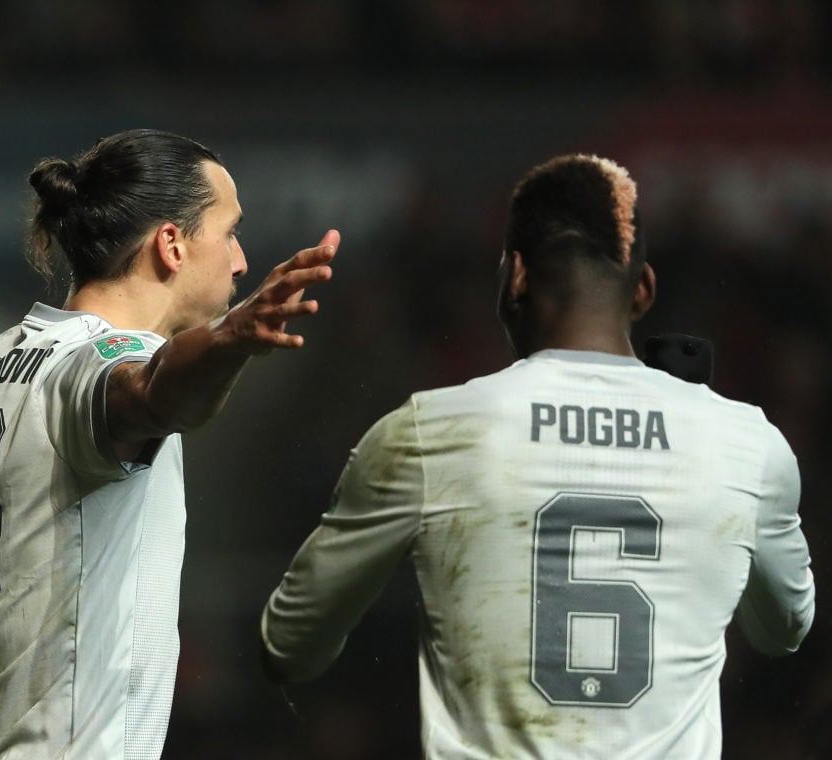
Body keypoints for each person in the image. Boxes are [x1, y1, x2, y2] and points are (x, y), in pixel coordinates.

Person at [0, 128, 339, 759]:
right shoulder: (103, 365)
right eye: (229, 232)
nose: (240, 260)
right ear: (172, 245)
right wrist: (232, 337)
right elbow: (150, 393)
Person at [259, 154, 814, 758]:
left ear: (515, 276)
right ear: (644, 287)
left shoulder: (428, 432)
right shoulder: (746, 443)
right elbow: (784, 628)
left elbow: (289, 644)